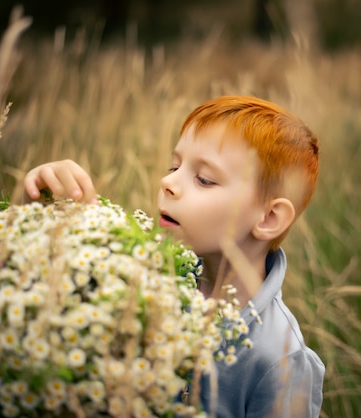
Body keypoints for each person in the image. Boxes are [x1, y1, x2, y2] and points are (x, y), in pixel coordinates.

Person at [23, 96, 325, 417]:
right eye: (175, 166)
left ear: (269, 218)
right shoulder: (142, 276)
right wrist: (46, 206)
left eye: (204, 179)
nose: (167, 182)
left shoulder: (278, 360)